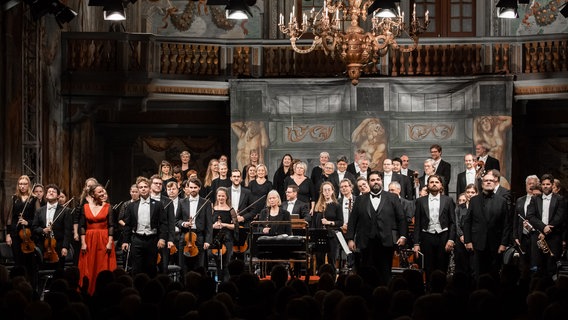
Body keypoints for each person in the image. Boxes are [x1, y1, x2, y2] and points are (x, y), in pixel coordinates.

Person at [346, 172, 407, 285]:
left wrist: (403, 235)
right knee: (365, 273)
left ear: (382, 181)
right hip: (365, 241)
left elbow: (401, 218)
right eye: (372, 180)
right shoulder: (360, 199)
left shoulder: (392, 197)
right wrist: (350, 239)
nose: (375, 182)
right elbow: (353, 220)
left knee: (385, 273)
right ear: (369, 182)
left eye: (378, 179)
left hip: (386, 241)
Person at [463, 170, 511, 280]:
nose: (488, 182)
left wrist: (503, 244)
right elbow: (468, 221)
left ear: (495, 183)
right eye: (486, 180)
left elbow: (506, 224)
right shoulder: (474, 200)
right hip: (477, 243)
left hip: (495, 244)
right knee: (477, 274)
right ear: (482, 183)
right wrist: (468, 241)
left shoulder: (502, 201)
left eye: (491, 180)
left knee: (494, 274)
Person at [121, 176, 169, 279]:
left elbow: (163, 223)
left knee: (151, 268)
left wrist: (162, 238)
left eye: (145, 186)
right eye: (141, 187)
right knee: (136, 268)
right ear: (138, 189)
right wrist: (125, 241)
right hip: (137, 239)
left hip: (152, 239)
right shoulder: (131, 206)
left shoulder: (158, 205)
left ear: (150, 188)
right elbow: (128, 225)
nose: (143, 189)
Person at [413, 175, 456, 283]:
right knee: (428, 267)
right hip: (426, 236)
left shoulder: (448, 200)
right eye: (431, 182)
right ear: (428, 185)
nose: (434, 184)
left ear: (441, 185)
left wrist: (451, 239)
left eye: (437, 182)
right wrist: (416, 244)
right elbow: (417, 223)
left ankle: (442, 292)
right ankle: (429, 291)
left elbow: (453, 222)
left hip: (443, 236)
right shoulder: (420, 201)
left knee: (442, 267)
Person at [77, 183, 117, 295]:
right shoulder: (85, 207)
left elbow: (111, 226)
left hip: (104, 239)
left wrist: (109, 242)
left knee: (103, 265)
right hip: (89, 239)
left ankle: (104, 292)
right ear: (92, 194)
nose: (103, 193)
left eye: (103, 191)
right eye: (99, 192)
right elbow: (82, 226)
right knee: (89, 266)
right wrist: (83, 243)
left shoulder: (108, 207)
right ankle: (88, 290)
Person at [526, 174, 567, 278]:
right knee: (537, 267)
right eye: (543, 184)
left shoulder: (559, 199)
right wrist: (543, 227)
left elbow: (560, 216)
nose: (545, 186)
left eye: (548, 184)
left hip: (553, 237)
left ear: (552, 185)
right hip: (538, 237)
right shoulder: (535, 199)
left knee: (552, 267)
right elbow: (530, 215)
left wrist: (549, 227)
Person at [5, 175, 42, 287]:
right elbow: (10, 218)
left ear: (28, 185)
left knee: (29, 262)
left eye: (25, 184)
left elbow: (38, 218)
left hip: (29, 235)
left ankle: (30, 286)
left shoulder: (34, 199)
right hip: (16, 234)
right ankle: (17, 286)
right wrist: (8, 234)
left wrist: (28, 222)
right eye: (20, 184)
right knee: (18, 261)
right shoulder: (14, 198)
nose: (22, 186)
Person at [176, 178, 212, 275]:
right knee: (183, 267)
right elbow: (176, 220)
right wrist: (184, 223)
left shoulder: (206, 203)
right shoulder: (182, 202)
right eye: (190, 187)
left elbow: (209, 224)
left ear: (199, 188)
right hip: (185, 237)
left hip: (199, 237)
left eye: (195, 187)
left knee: (199, 266)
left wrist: (208, 241)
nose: (193, 190)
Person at [32, 184, 72, 271]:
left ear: (58, 196)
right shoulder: (39, 211)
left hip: (58, 246)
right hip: (43, 246)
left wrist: (65, 247)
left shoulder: (65, 211)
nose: (51, 193)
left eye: (53, 191)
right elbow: (34, 227)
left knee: (58, 272)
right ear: (46, 195)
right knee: (42, 271)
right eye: (49, 191)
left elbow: (67, 231)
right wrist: (43, 230)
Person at [312, 182, 343, 272]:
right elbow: (314, 222)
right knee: (319, 259)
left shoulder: (337, 206)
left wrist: (329, 222)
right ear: (322, 192)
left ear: (332, 191)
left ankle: (332, 278)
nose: (327, 192)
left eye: (329, 190)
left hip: (332, 236)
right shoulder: (318, 206)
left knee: (331, 259)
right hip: (320, 235)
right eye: (325, 190)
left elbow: (340, 222)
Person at [513, 175, 540, 278]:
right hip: (522, 236)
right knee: (523, 263)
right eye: (529, 184)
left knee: (535, 261)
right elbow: (515, 219)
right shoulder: (520, 200)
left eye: (533, 184)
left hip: (535, 235)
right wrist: (515, 236)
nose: (531, 186)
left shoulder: (540, 200)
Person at [149, 175, 176, 273]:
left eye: (160, 184)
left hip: (164, 238)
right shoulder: (144, 199)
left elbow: (171, 222)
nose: (158, 185)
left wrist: (171, 239)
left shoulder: (168, 201)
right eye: (156, 183)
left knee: (163, 267)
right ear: (150, 185)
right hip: (149, 238)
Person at [211, 187, 237, 282]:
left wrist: (224, 225)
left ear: (226, 197)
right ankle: (219, 283)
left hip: (227, 239)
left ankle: (226, 283)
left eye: (223, 196)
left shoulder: (231, 210)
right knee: (218, 263)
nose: (221, 198)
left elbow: (235, 226)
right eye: (219, 196)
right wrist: (213, 225)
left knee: (226, 263)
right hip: (215, 238)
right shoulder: (212, 209)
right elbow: (208, 224)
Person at [453, 184, 477, 277]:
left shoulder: (479, 206)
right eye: (468, 192)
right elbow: (457, 223)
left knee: (473, 265)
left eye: (472, 192)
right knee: (461, 265)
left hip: (474, 239)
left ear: (476, 193)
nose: (470, 194)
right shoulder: (459, 208)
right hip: (461, 239)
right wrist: (462, 236)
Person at [117, 184, 139, 267]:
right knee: (126, 253)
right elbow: (120, 219)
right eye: (132, 192)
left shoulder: (141, 204)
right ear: (130, 192)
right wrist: (128, 226)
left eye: (136, 192)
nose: (134, 194)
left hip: (137, 231)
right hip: (127, 232)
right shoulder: (126, 204)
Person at [338, 179, 356, 270]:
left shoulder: (358, 200)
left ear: (351, 187)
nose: (343, 188)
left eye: (346, 186)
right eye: (341, 187)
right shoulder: (337, 201)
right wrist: (341, 226)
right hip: (341, 231)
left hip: (355, 232)